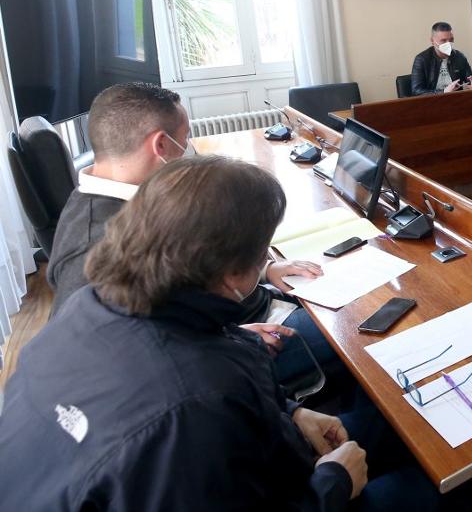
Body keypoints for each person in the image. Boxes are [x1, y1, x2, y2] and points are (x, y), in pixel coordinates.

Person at [0, 156, 447, 511]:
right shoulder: (199, 401)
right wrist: (332, 484)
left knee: (384, 425)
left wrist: (290, 412)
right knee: (433, 489)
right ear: (236, 270)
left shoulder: (88, 304)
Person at [45, 82, 339, 385]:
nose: (189, 149)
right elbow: (110, 364)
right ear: (160, 146)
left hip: (240, 312)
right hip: (234, 345)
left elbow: (189, 259)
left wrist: (266, 269)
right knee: (348, 324)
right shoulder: (92, 249)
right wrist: (232, 340)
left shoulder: (120, 194)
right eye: (185, 139)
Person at [410, 22, 472, 94]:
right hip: (433, 102)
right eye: (443, 40)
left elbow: (470, 78)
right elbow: (417, 91)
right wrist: (444, 92)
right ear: (432, 41)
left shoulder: (459, 57)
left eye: (451, 40)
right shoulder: (422, 59)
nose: (448, 44)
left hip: (456, 99)